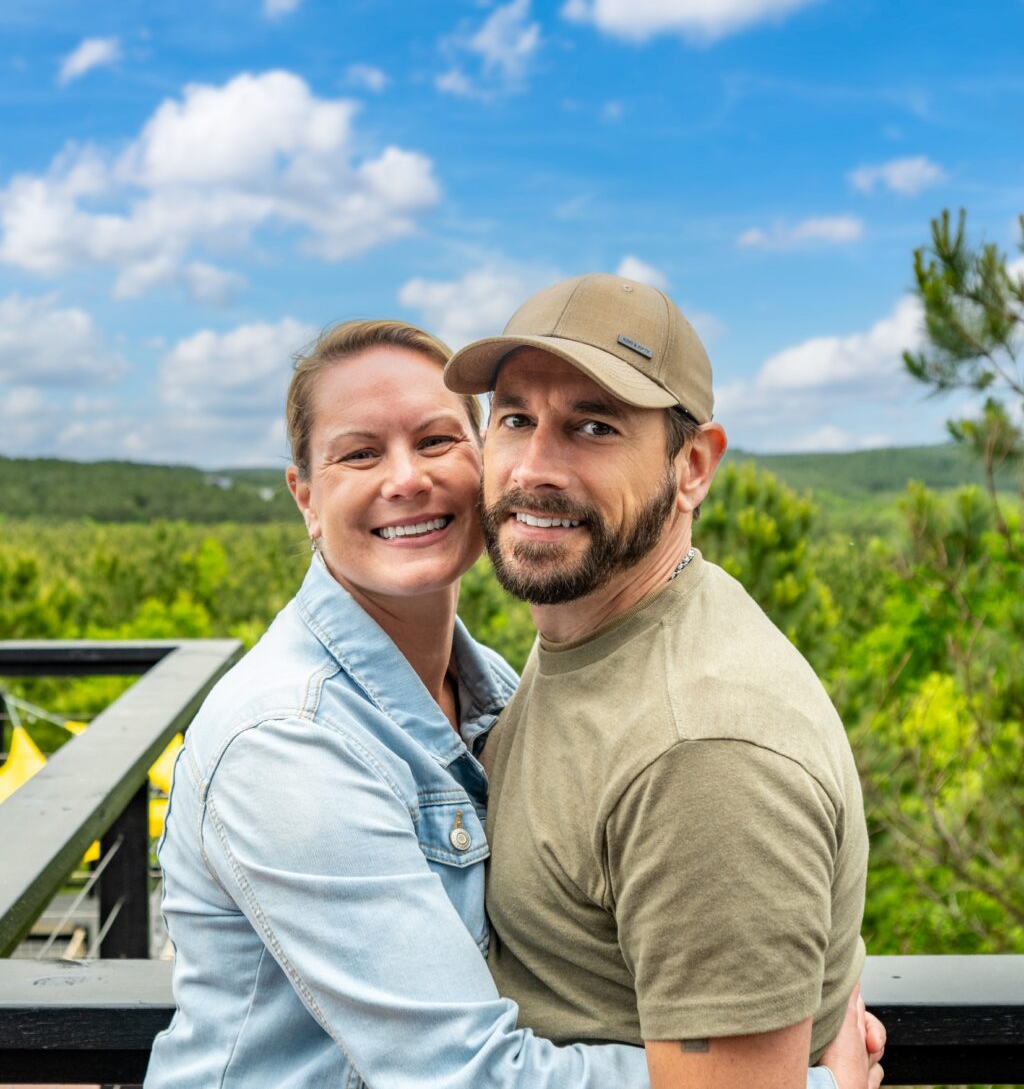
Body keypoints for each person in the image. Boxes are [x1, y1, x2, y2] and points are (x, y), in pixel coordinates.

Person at [145, 317, 880, 1089]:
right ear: (305, 497)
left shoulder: (498, 685)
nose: (406, 478)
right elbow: (461, 1074)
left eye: (436, 441)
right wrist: (814, 1083)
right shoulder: (288, 740)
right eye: (360, 452)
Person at [444, 273, 880, 1089]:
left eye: (593, 426)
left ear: (693, 466)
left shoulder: (702, 752)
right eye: (514, 418)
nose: (535, 466)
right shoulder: (595, 626)